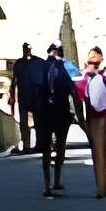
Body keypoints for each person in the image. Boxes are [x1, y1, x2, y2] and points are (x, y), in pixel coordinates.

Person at [72, 46, 106, 200]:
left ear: (101, 59)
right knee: (98, 151)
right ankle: (101, 187)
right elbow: (78, 96)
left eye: (96, 56)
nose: (93, 58)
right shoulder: (83, 78)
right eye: (90, 56)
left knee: (104, 151)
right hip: (94, 118)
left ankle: (103, 184)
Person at [38, 44, 75, 197]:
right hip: (61, 112)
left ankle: (47, 185)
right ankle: (56, 181)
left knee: (46, 148)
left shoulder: (42, 67)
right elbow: (74, 91)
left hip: (45, 112)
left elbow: (37, 90)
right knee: (60, 145)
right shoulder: (67, 67)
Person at [9, 42, 45, 155]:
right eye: (26, 49)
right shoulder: (19, 63)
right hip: (25, 96)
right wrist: (12, 97)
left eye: (28, 49)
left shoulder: (38, 62)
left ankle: (37, 144)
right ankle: (26, 145)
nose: (27, 51)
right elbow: (14, 81)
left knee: (37, 121)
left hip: (34, 96)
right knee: (24, 122)